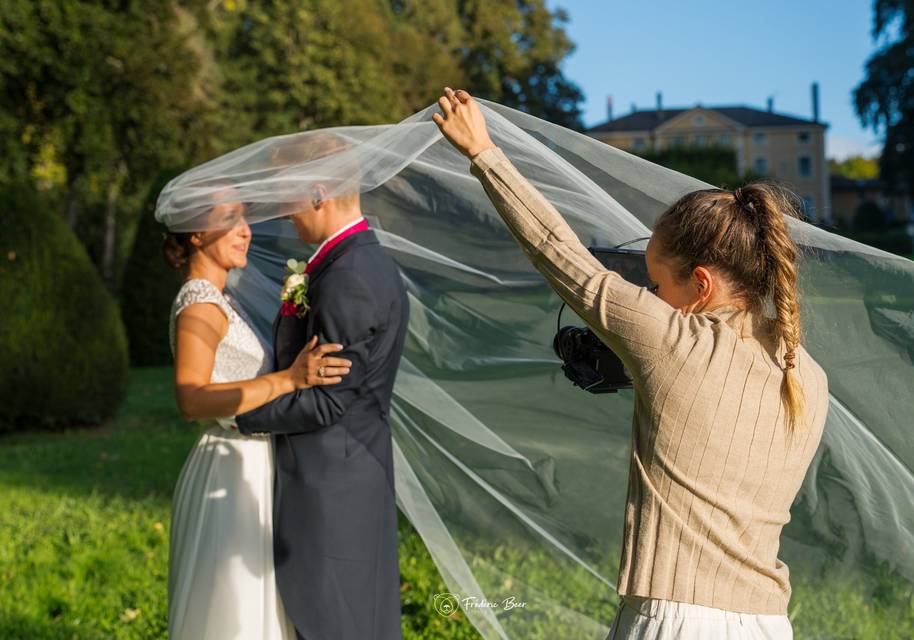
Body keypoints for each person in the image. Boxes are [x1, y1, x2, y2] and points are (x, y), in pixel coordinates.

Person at [433, 87, 829, 639]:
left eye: (658, 284)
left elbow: (562, 256)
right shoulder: (805, 371)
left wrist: (483, 153)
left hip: (675, 619)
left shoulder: (673, 342)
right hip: (768, 622)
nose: (652, 296)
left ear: (701, 285)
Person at [164, 198, 352, 639]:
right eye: (230, 220)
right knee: (237, 612)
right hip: (230, 466)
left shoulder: (220, 298)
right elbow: (191, 399)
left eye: (244, 218)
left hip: (251, 463)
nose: (246, 230)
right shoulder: (200, 304)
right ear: (195, 234)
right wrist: (289, 380)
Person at [233, 171, 410, 640]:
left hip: (333, 482)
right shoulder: (354, 260)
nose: (285, 213)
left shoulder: (349, 275)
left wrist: (242, 414)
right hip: (352, 468)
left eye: (287, 199)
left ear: (317, 195)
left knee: (334, 622)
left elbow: (328, 401)